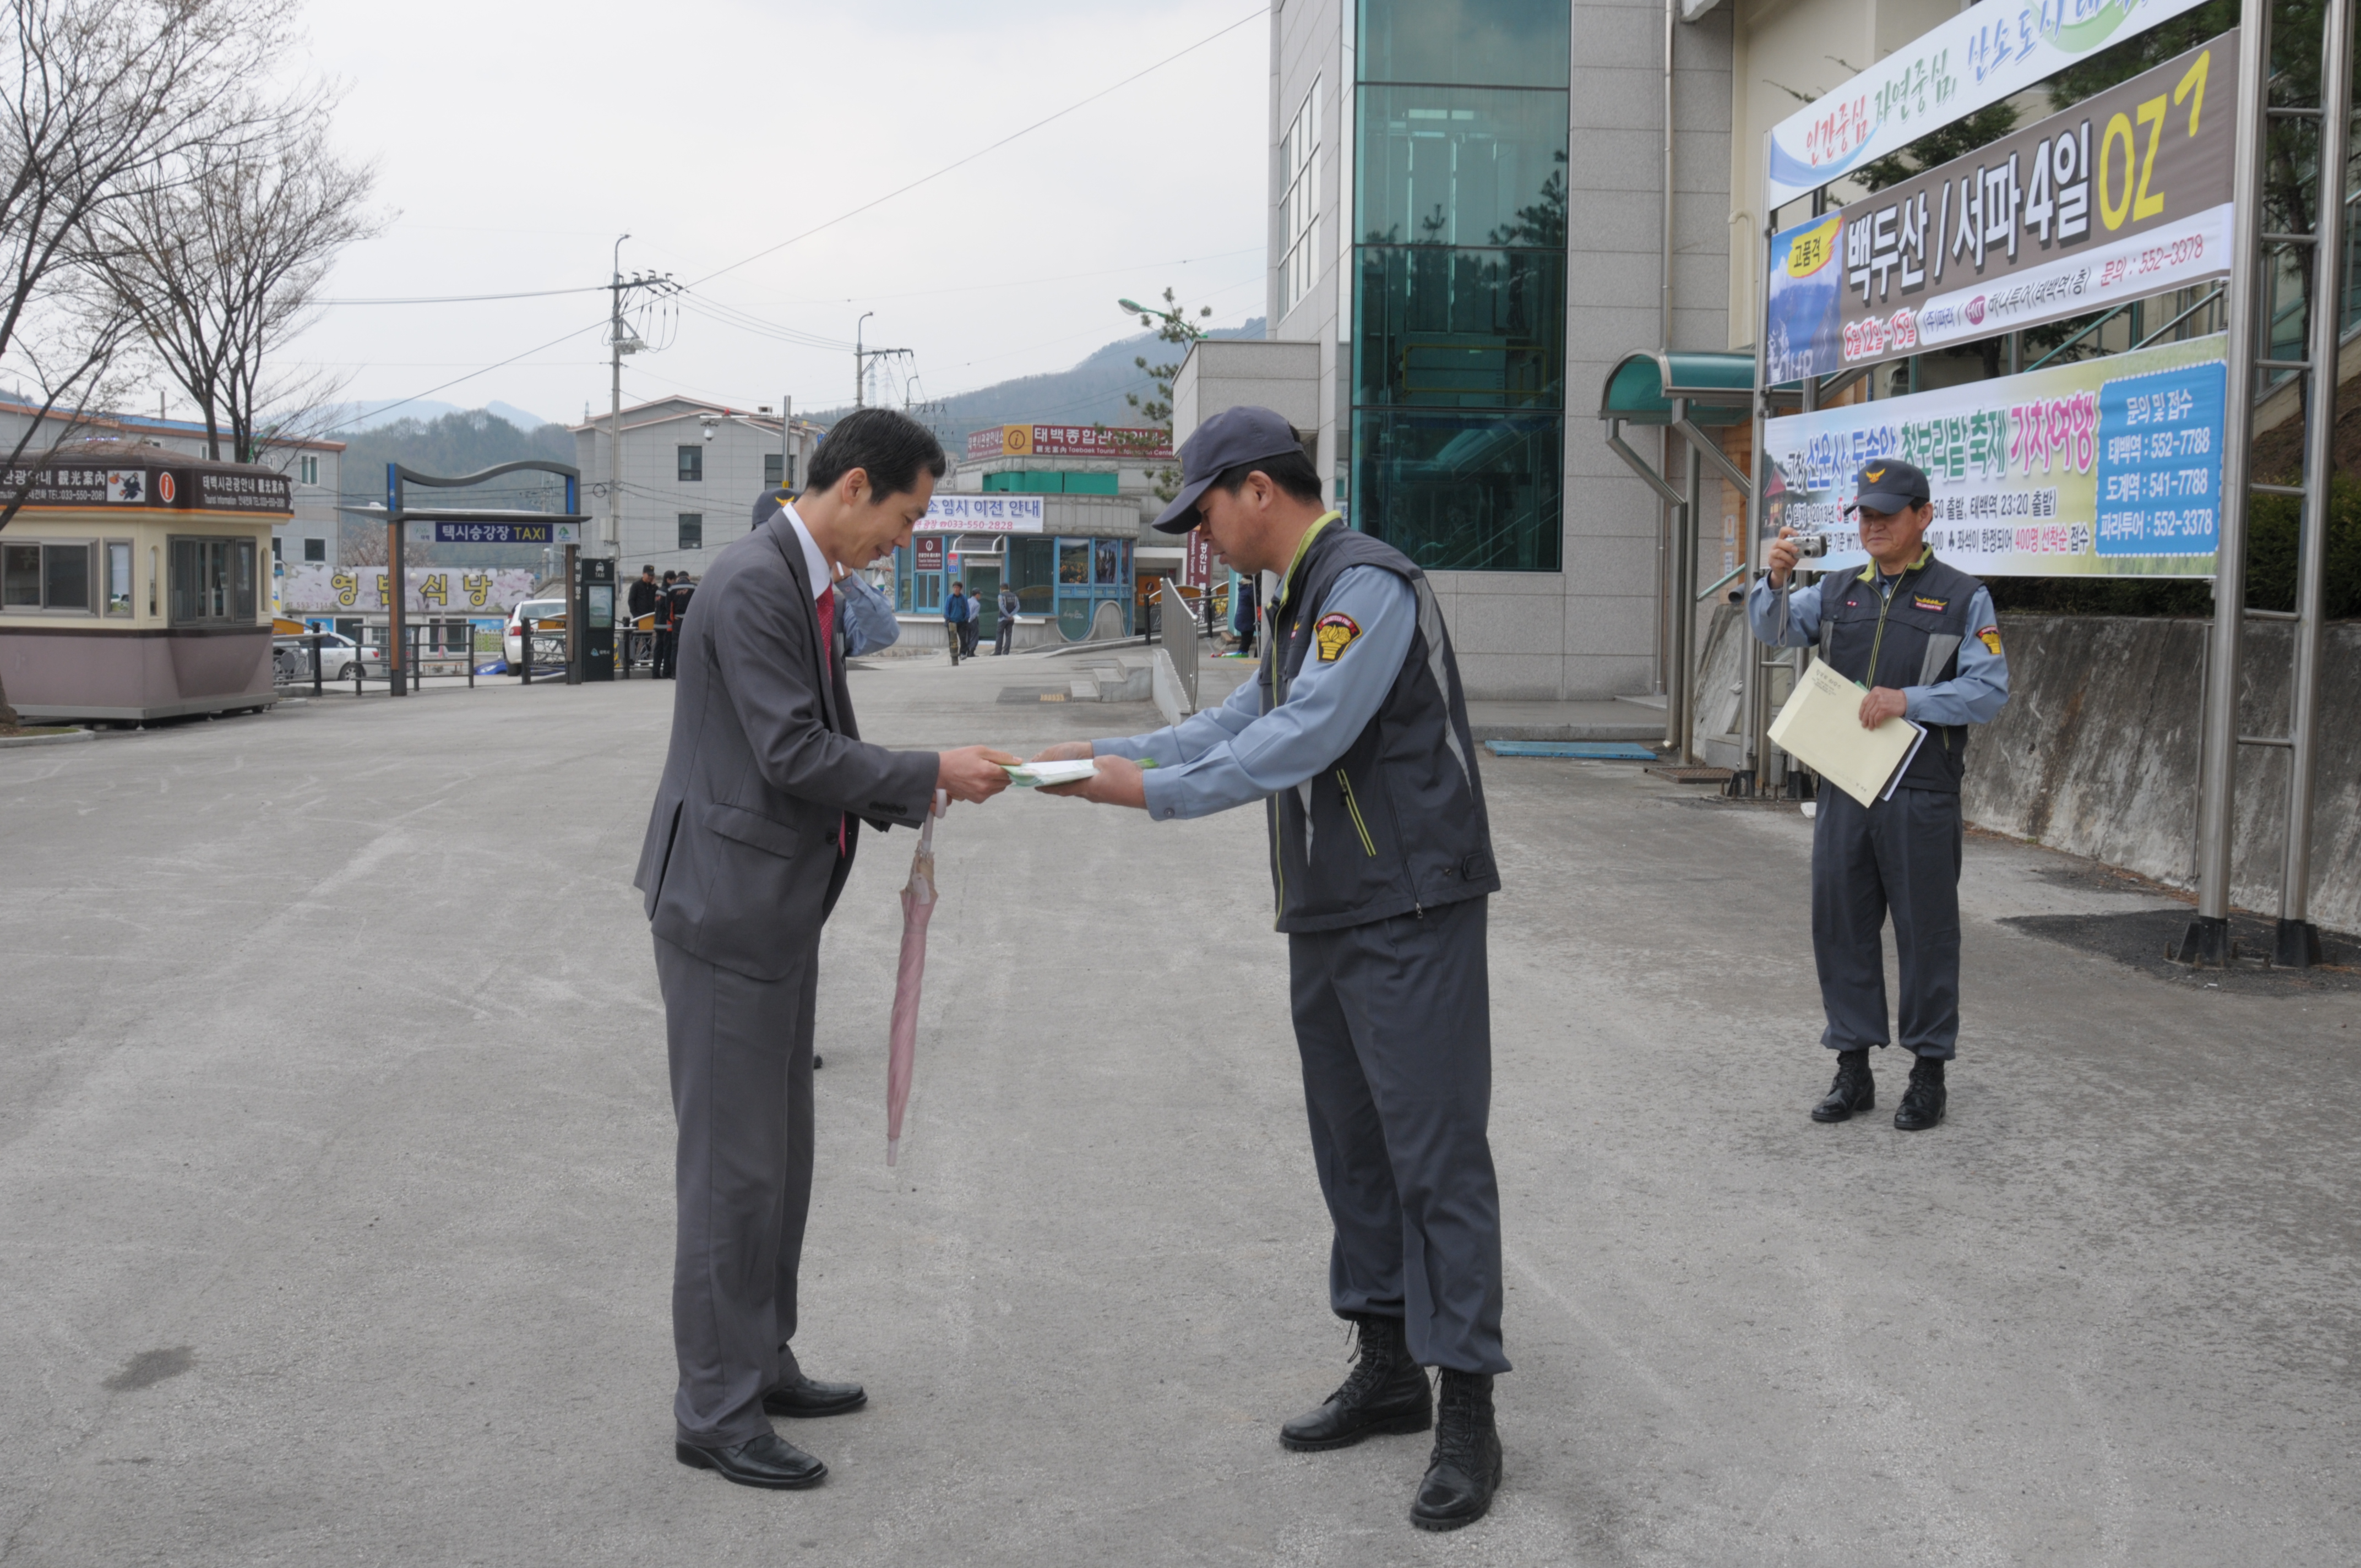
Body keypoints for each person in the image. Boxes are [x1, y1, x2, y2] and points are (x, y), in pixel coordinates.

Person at [1030, 406, 1507, 1533]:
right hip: (1332, 908)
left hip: (1409, 905)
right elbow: (1242, 715)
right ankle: (1386, 1362)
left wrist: (1148, 792)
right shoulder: (1295, 599)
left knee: (1433, 1156)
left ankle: (1468, 1406)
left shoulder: (1364, 585)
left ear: (1256, 489)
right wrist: (1105, 755)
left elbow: (1304, 735)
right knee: (1353, 1148)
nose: (1198, 537)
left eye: (1200, 513)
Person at [633, 406, 1014, 1492]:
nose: (907, 535)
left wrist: (916, 773)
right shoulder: (756, 584)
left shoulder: (802, 580)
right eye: (908, 514)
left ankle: (760, 1357)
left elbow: (813, 745)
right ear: (854, 486)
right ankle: (715, 1406)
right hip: (726, 912)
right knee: (733, 1172)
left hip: (769, 909)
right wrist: (927, 770)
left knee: (778, 1162)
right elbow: (794, 751)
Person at [1750, 458, 2010, 1132]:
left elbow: (1988, 690)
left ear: (1923, 516)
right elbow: (1772, 628)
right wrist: (1774, 581)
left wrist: (1909, 700)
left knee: (1927, 933)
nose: (1873, 526)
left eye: (1887, 515)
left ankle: (1928, 1074)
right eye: (1865, 515)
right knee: (1841, 925)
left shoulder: (1963, 597)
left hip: (1920, 790)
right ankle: (1853, 1068)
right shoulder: (1836, 591)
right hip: (1845, 785)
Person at [628, 565, 660, 674]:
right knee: (635, 639)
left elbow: (658, 599)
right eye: (649, 575)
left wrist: (655, 586)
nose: (650, 577)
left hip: (649, 619)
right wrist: (636, 615)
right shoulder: (636, 585)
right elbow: (631, 601)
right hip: (639, 618)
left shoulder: (653, 587)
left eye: (652, 575)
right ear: (643, 574)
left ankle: (645, 661)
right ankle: (631, 661)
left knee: (648, 640)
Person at [653, 570, 679, 679]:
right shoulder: (668, 591)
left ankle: (655, 672)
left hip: (658, 624)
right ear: (669, 580)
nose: (675, 582)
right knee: (667, 649)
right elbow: (669, 608)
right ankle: (667, 672)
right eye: (674, 580)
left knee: (658, 650)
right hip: (666, 625)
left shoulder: (658, 591)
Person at [1232, 574, 1259, 657]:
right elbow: (1258, 601)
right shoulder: (1250, 588)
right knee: (1246, 641)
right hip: (1246, 620)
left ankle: (1242, 654)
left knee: (1246, 641)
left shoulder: (1245, 586)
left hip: (1243, 618)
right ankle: (1241, 654)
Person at [943, 580, 967, 665]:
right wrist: (948, 619)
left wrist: (966, 618)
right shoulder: (950, 598)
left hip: (961, 622)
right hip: (952, 622)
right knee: (952, 640)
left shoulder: (964, 598)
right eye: (954, 588)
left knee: (963, 639)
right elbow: (946, 609)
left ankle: (963, 653)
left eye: (957, 588)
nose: (956, 589)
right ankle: (953, 654)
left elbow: (967, 609)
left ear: (960, 589)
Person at [995, 584, 1019, 656]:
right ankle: (1006, 652)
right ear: (1008, 588)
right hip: (1011, 620)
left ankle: (998, 652)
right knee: (1008, 636)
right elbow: (1018, 607)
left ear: (1001, 588)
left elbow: (1002, 607)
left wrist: (1008, 615)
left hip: (1002, 618)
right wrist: (1011, 615)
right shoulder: (1014, 596)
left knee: (1000, 635)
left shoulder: (1001, 595)